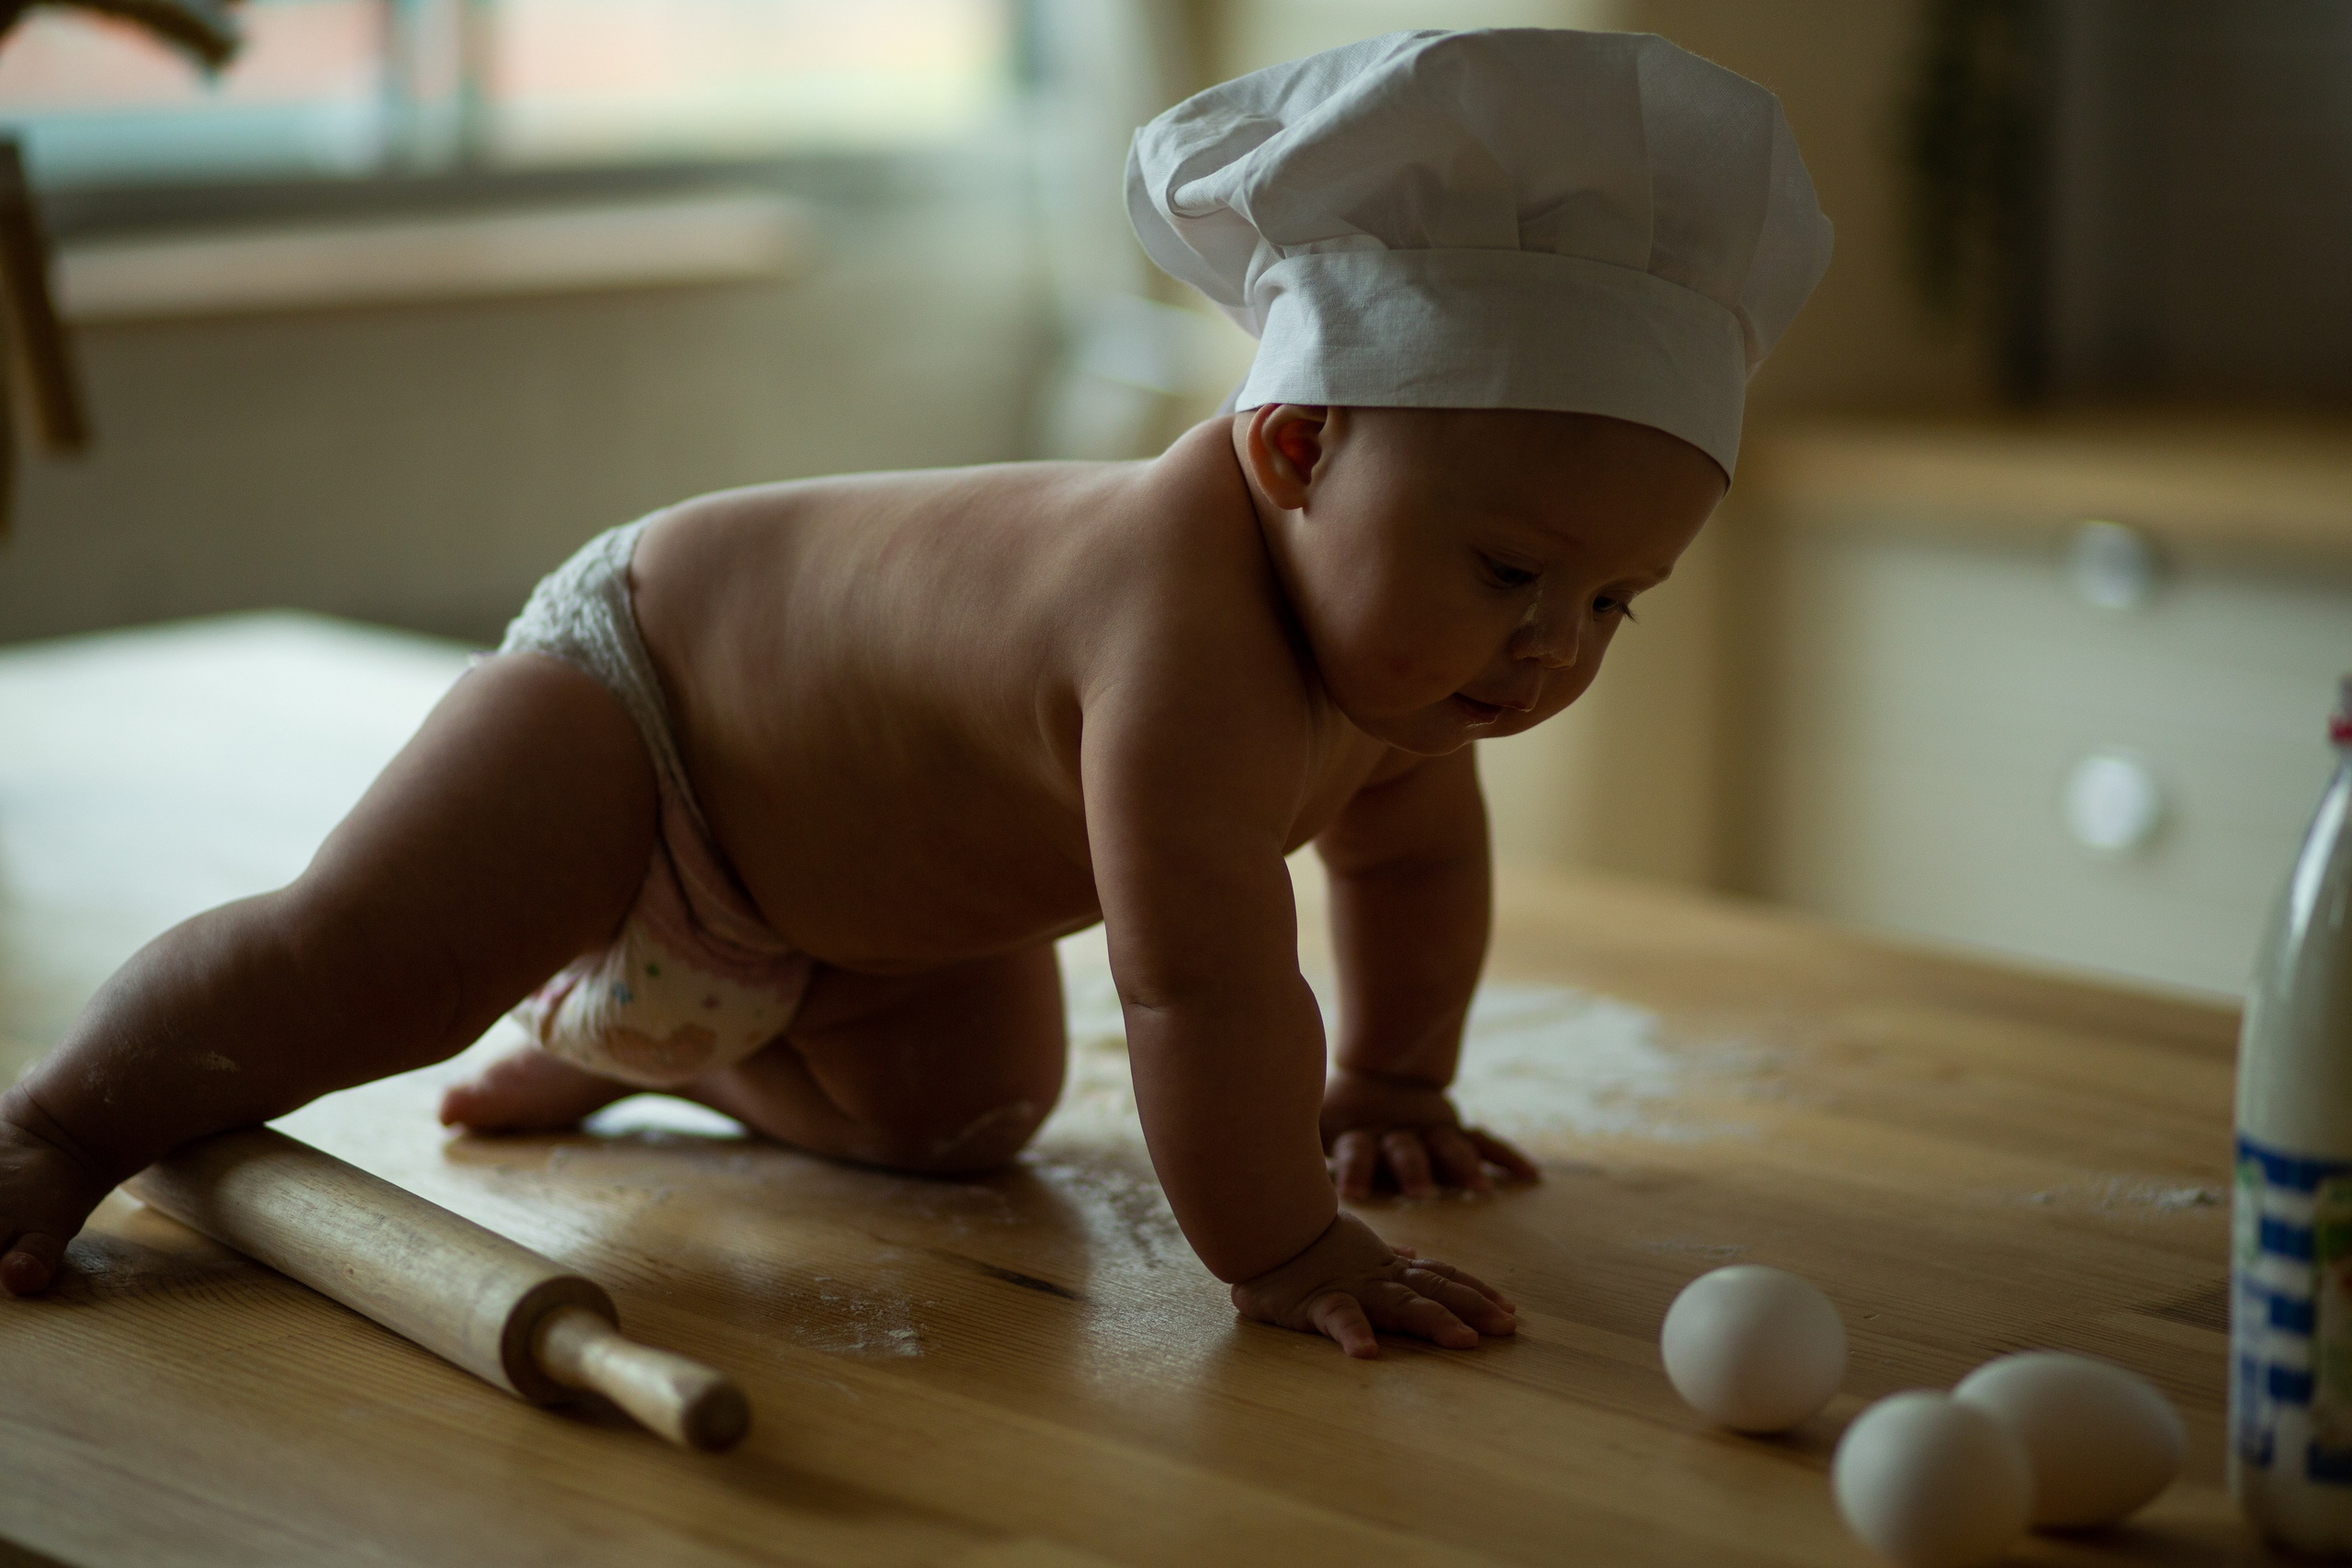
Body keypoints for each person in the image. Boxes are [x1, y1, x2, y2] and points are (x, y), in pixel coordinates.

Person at [0, 28, 1829, 1358]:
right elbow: (1197, 978)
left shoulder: (1414, 673)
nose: (1549, 648)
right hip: (652, 702)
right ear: (1290, 446)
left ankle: (657, 1055)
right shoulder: (1175, 640)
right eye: (1511, 571)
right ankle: (61, 1118)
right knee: (366, 963)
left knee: (954, 1129)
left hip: (862, 910)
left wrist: (1389, 1079)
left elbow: (1409, 870)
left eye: (1617, 603)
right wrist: (1285, 1247)